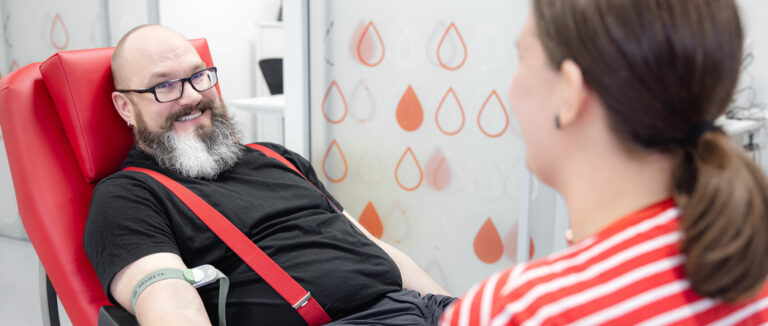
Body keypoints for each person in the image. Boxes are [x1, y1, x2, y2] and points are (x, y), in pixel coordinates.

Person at [84, 24, 454, 326]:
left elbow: (371, 245)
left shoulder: (275, 156)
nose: (191, 96)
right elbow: (170, 306)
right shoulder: (129, 196)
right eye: (163, 85)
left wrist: (459, 310)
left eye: (198, 76)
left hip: (418, 310)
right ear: (125, 107)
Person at [441, 0, 768, 325]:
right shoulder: (744, 266)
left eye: (522, 58)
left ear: (569, 93)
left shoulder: (516, 311)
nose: (511, 88)